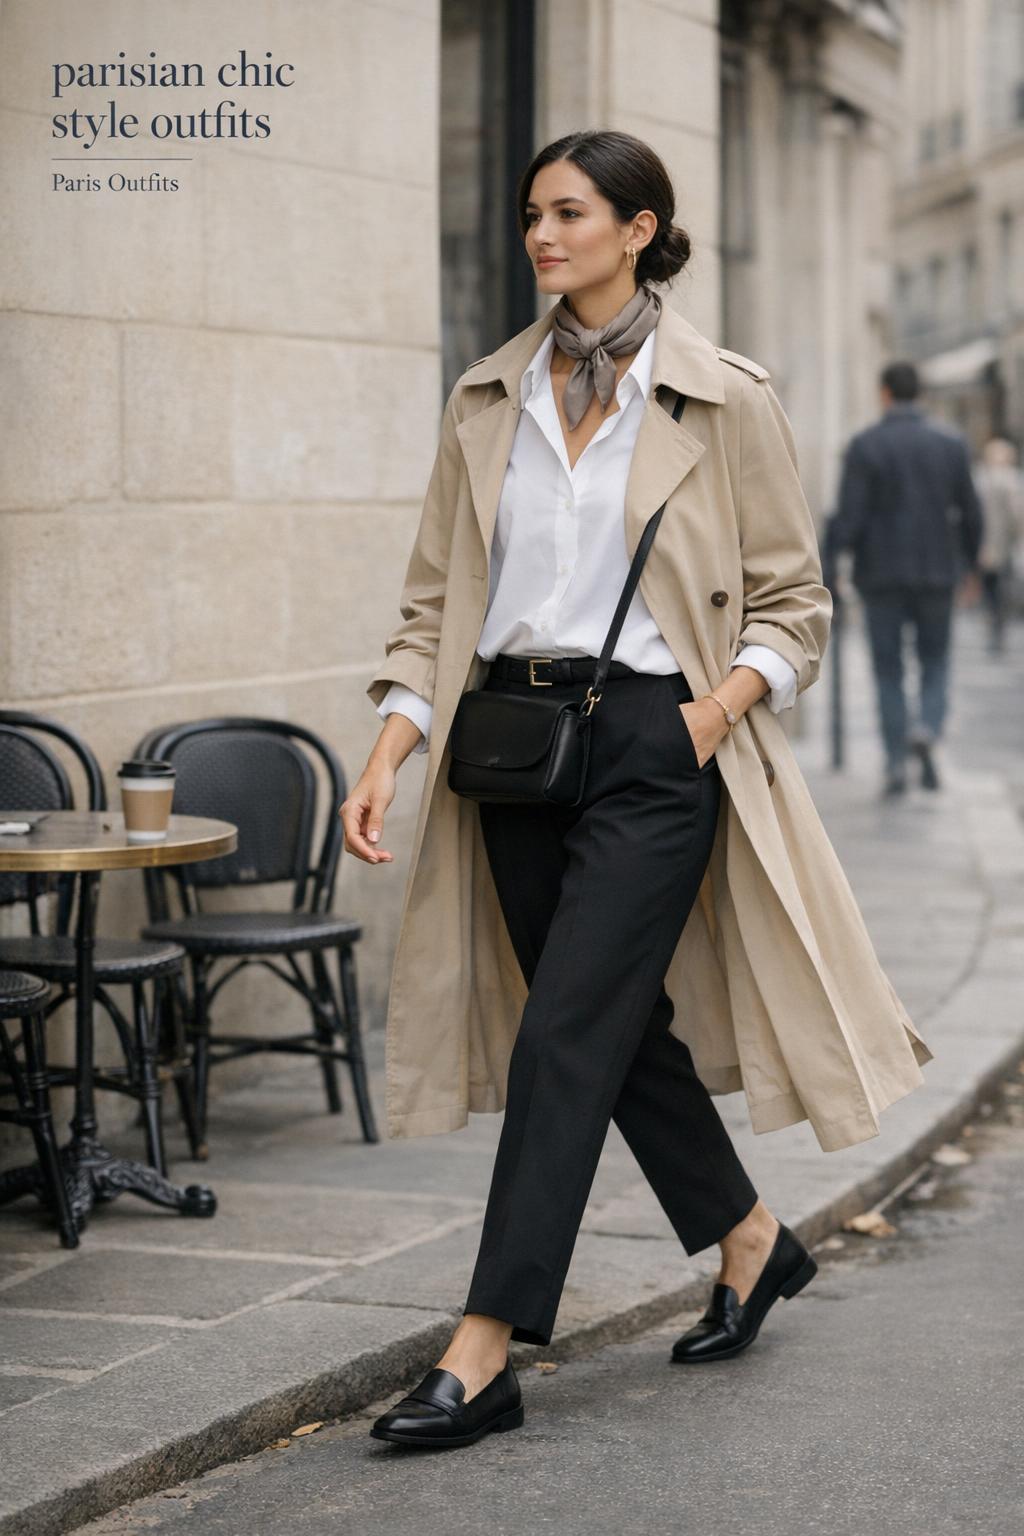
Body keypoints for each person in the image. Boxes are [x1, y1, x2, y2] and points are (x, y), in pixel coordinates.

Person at [342, 130, 932, 1450]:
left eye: (568, 212)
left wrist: (714, 717)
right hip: (509, 747)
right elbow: (437, 599)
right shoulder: (488, 398)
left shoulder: (722, 397)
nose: (542, 236)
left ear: (639, 225)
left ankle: (485, 1347)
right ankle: (753, 1239)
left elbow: (796, 602)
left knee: (563, 1032)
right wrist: (389, 747)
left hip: (659, 751)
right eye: (530, 215)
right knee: (612, 1035)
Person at [830, 362, 983, 796]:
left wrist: (829, 567)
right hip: (937, 572)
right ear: (921, 395)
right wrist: (970, 567)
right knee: (935, 661)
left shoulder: (865, 445)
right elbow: (970, 512)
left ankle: (896, 760)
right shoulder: (950, 445)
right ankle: (928, 728)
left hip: (880, 577)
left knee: (887, 669)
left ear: (883, 394)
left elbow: (848, 518)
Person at [974, 435, 1024, 655]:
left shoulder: (980, 479)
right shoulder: (1010, 480)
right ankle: (997, 630)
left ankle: (995, 630)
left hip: (989, 544)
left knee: (993, 590)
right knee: (1000, 589)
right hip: (1001, 545)